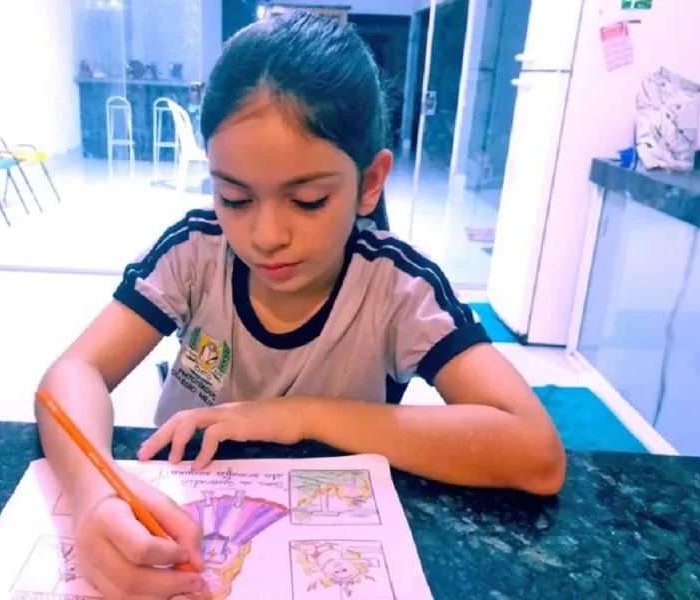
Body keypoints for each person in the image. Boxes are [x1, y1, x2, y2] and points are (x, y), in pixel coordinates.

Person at [36, 12, 566, 599]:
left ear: (370, 182)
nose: (266, 237)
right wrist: (94, 495)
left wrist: (300, 416)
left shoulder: (398, 287)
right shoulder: (196, 252)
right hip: (186, 535)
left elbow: (534, 452)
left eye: (309, 200)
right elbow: (71, 374)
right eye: (234, 198)